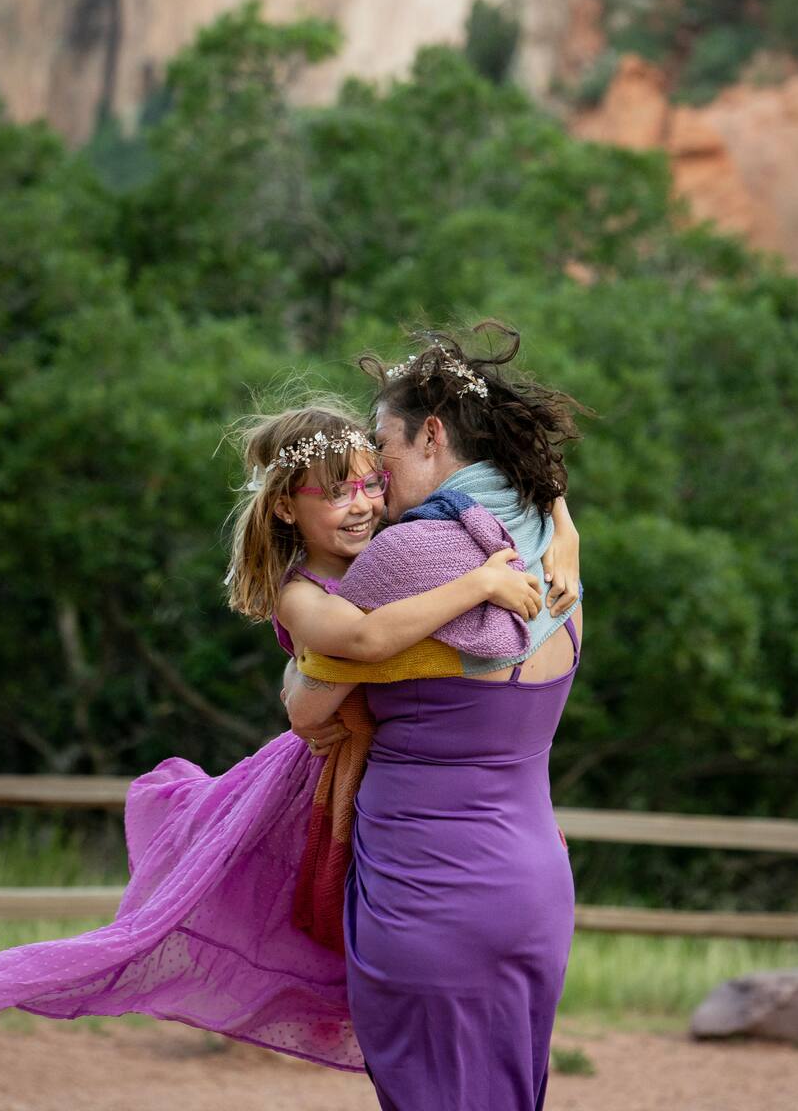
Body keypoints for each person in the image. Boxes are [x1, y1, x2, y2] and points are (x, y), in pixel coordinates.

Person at [0, 377, 578, 1087]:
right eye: (340, 492)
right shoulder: (308, 589)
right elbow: (357, 643)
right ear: (284, 509)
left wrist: (564, 522)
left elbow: (526, 490)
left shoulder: (394, 549)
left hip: (424, 832)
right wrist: (481, 585)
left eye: (372, 481)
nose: (367, 503)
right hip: (373, 788)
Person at [278, 324, 585, 1110]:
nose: (373, 471)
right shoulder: (550, 541)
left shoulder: (409, 555)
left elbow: (308, 707)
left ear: (434, 434)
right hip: (535, 890)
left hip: (430, 887)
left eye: (382, 444)